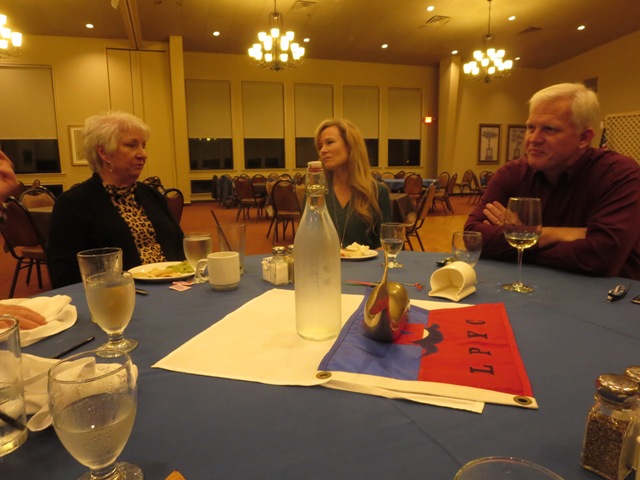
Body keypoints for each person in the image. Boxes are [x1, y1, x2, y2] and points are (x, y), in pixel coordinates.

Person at [465, 83, 640, 280]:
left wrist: (521, 239)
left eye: (549, 129)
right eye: (530, 127)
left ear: (584, 138)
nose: (533, 139)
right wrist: (553, 234)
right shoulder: (512, 173)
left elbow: (602, 257)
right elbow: (473, 237)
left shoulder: (619, 175)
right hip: (528, 286)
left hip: (608, 294)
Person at [48, 111, 184, 288]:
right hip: (119, 295)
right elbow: (64, 275)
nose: (142, 154)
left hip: (174, 288)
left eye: (143, 146)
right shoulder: (72, 204)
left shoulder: (152, 195)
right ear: (104, 152)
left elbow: (180, 246)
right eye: (131, 145)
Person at [315, 119, 391, 249]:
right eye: (320, 146)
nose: (322, 150)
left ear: (350, 146)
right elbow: (307, 242)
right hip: (324, 262)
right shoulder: (315, 193)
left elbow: (385, 245)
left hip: (367, 262)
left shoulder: (378, 192)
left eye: (329, 142)